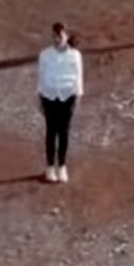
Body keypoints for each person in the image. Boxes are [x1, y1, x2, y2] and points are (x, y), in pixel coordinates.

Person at [38, 22, 83, 181]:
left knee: (63, 133)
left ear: (66, 37)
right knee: (51, 132)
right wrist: (40, 97)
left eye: (60, 36)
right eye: (54, 36)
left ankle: (62, 166)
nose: (57, 40)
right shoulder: (45, 55)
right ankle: (50, 167)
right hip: (50, 96)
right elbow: (41, 76)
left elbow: (78, 77)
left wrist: (77, 96)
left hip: (67, 96)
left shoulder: (75, 55)